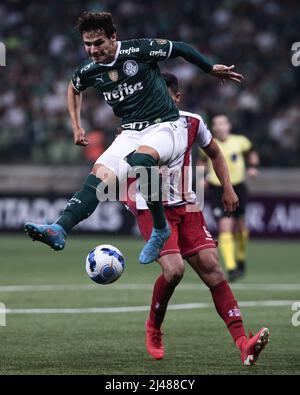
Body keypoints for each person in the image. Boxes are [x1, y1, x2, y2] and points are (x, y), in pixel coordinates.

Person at [24, 11, 243, 265]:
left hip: (166, 125)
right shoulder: (88, 70)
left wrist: (209, 68)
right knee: (99, 175)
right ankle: (59, 229)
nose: (93, 50)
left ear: (113, 38)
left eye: (98, 43)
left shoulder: (138, 50)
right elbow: (73, 88)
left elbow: (180, 48)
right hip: (131, 131)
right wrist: (76, 125)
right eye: (88, 44)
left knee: (142, 159)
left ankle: (160, 229)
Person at [125, 73, 269, 366]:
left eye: (160, 96)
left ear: (176, 98)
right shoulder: (135, 128)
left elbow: (215, 153)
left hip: (187, 207)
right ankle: (154, 326)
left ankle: (243, 343)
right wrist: (131, 195)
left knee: (214, 271)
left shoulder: (193, 123)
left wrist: (227, 187)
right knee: (175, 270)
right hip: (154, 210)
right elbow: (121, 166)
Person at [201, 114, 259, 281]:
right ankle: (232, 267)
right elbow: (202, 162)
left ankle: (240, 258)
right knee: (225, 226)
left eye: (222, 123)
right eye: (216, 124)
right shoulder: (208, 142)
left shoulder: (241, 141)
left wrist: (253, 167)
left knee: (241, 226)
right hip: (217, 188)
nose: (219, 127)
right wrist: (202, 178)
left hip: (238, 186)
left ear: (229, 126)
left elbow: (252, 154)